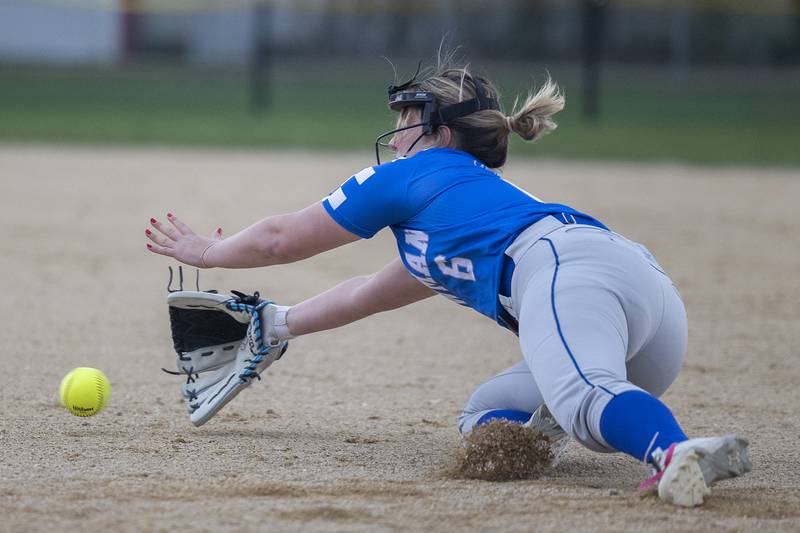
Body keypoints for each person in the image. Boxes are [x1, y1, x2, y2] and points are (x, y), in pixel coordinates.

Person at [145, 58, 750, 507]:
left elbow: (283, 238)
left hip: (563, 272)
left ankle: (675, 453)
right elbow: (368, 293)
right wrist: (278, 324)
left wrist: (212, 251)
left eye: (406, 117)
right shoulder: (457, 219)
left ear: (436, 128)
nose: (397, 133)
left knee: (587, 396)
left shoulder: (416, 174)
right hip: (645, 300)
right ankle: (573, 436)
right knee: (491, 412)